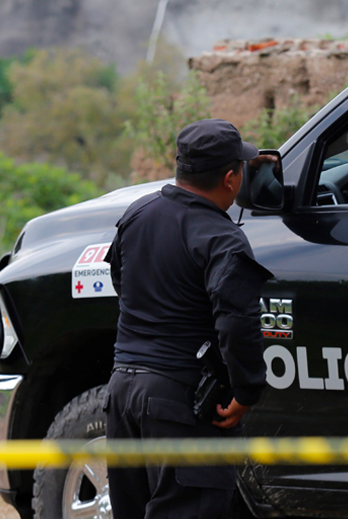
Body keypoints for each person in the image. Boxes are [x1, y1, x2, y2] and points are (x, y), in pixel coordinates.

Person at [104, 118, 274, 519]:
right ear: (231, 179)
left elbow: (119, 277)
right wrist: (246, 391)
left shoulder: (138, 213)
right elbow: (237, 319)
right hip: (179, 401)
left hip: (121, 395)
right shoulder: (222, 237)